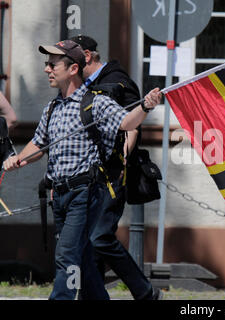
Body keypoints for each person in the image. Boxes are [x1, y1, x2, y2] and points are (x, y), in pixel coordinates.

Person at [2, 40, 161, 300]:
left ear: (73, 68)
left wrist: (145, 106)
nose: (47, 70)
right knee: (83, 255)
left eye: (53, 65)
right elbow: (39, 143)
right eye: (47, 64)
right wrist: (18, 159)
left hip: (84, 193)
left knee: (67, 254)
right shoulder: (52, 108)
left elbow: (126, 122)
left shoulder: (95, 103)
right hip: (60, 195)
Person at [70, 35, 161, 300]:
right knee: (87, 240)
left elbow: (131, 125)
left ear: (86, 56)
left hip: (112, 176)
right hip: (84, 177)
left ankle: (145, 292)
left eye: (68, 59)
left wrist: (119, 159)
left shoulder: (117, 81)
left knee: (99, 236)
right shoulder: (82, 86)